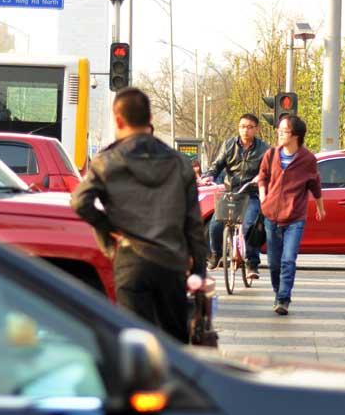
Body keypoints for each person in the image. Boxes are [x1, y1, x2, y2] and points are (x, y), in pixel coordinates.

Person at [71, 87, 207, 343]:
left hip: (130, 260)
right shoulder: (179, 163)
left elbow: (80, 201)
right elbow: (194, 223)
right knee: (175, 346)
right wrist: (199, 271)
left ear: (119, 120)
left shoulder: (107, 160)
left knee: (137, 346)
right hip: (171, 264)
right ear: (149, 119)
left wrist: (111, 228)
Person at [258, 115, 325, 316]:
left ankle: (284, 299)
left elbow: (315, 184)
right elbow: (262, 177)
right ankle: (278, 292)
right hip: (271, 216)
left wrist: (321, 207)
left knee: (288, 259)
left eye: (284, 131)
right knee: (274, 262)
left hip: (295, 217)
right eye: (279, 130)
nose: (279, 133)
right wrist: (263, 198)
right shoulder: (270, 155)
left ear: (295, 135)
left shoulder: (308, 159)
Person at [199, 113, 269, 278]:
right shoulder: (229, 145)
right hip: (231, 193)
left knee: (249, 226)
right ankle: (216, 255)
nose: (246, 130)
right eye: (242, 126)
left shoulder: (264, 149)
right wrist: (209, 175)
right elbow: (217, 164)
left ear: (257, 129)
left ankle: (252, 263)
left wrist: (260, 177)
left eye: (250, 127)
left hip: (250, 193)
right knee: (216, 224)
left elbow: (268, 170)